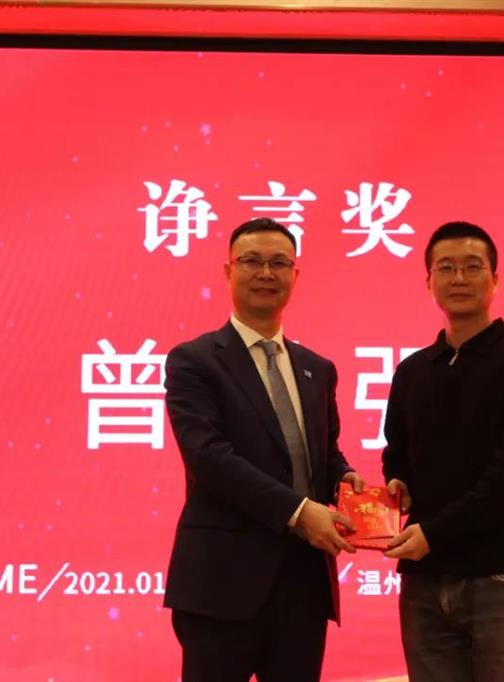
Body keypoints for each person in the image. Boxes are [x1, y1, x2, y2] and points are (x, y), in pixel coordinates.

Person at [163, 217, 365, 681]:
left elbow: (323, 452)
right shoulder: (194, 361)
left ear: (295, 274)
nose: (266, 273)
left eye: (279, 263)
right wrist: (300, 512)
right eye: (252, 261)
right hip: (221, 582)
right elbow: (209, 458)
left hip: (303, 582)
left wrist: (344, 479)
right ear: (228, 270)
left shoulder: (317, 368)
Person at [382, 221, 504, 682]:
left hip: (500, 576)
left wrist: (434, 533)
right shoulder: (412, 371)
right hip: (424, 581)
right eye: (446, 268)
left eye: (472, 267)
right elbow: (397, 453)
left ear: (494, 280)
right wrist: (396, 486)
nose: (458, 278)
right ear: (428, 281)